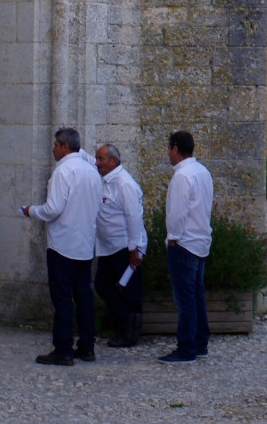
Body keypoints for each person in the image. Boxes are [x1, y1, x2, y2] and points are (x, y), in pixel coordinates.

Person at [23, 127, 102, 366]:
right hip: (85, 243)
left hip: (63, 245)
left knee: (62, 297)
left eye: (56, 144)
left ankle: (63, 348)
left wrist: (31, 211)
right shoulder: (92, 171)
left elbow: (53, 209)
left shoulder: (63, 171)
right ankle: (87, 346)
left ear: (65, 146)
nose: (53, 148)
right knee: (83, 295)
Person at [158, 130, 213, 364]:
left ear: (175, 149)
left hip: (185, 243)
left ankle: (187, 348)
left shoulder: (182, 176)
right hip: (200, 240)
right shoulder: (203, 171)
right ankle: (200, 342)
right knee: (196, 295)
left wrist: (173, 237)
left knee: (185, 299)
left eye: (169, 148)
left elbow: (178, 212)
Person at [93, 143, 147, 348]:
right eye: (97, 159)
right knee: (103, 285)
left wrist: (134, 249)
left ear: (113, 161)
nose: (97, 163)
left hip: (125, 247)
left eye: (101, 159)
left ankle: (130, 332)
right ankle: (126, 324)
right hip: (109, 246)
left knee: (129, 290)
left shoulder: (124, 184)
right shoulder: (107, 180)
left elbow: (134, 216)